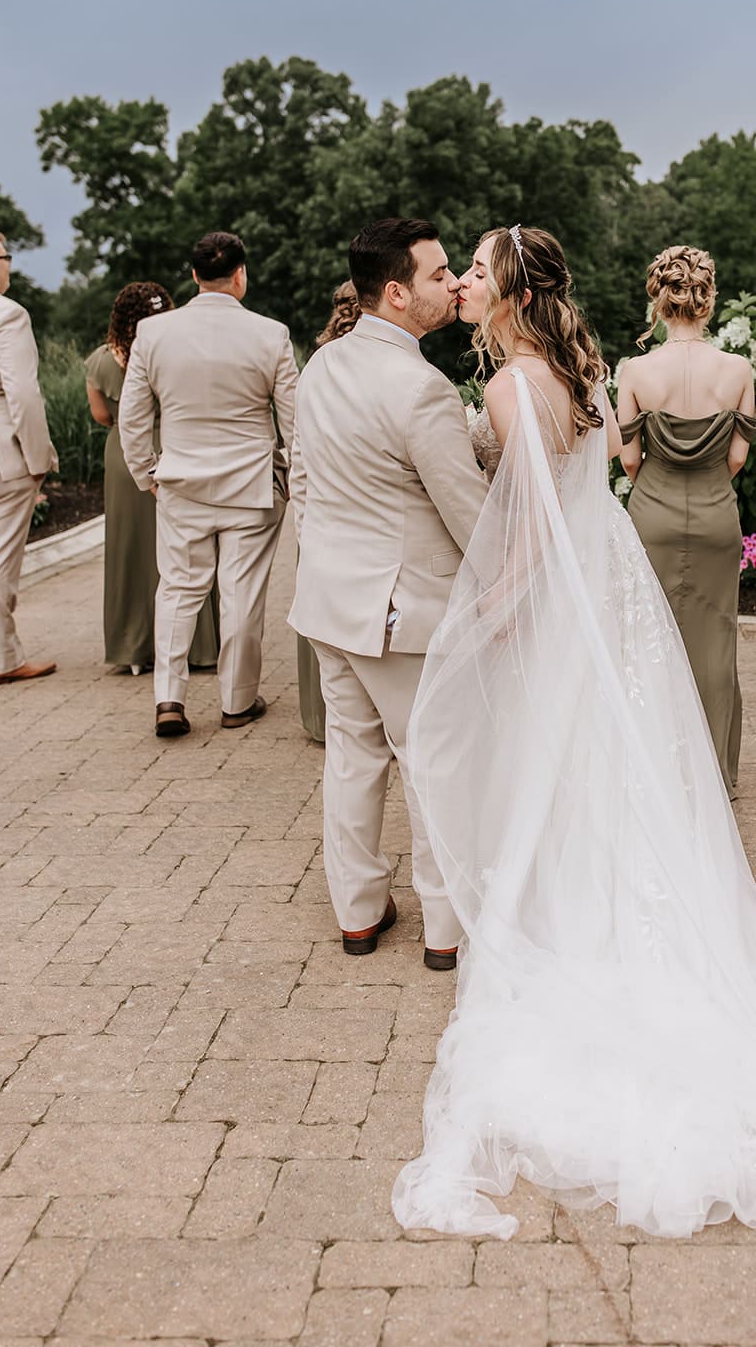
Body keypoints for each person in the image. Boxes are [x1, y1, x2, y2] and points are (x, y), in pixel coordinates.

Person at [391, 224, 756, 1294]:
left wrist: (483, 620)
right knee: (608, 767)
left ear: (506, 288)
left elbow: (523, 540)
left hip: (562, 601)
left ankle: (565, 924)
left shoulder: (514, 387)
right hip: (612, 593)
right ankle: (596, 902)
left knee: (557, 763)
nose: (460, 281)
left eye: (472, 267)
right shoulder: (570, 369)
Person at [288, 219, 487, 965]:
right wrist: (513, 587)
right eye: (439, 276)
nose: (452, 286)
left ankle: (359, 911)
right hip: (401, 613)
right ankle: (444, 928)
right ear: (398, 293)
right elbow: (465, 512)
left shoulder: (323, 366)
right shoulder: (419, 388)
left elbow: (312, 482)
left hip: (329, 602)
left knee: (351, 757)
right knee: (431, 762)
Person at [119, 231, 297, 738]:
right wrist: (294, 477)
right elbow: (295, 417)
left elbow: (133, 417)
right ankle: (237, 702)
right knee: (241, 593)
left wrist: (146, 472)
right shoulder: (270, 334)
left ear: (193, 275)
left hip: (180, 483)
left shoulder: (153, 333)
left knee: (177, 588)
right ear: (241, 274)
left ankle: (169, 698)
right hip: (251, 486)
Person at [616, 246, 755, 787]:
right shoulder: (738, 369)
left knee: (649, 638)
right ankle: (713, 772)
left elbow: (629, 459)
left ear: (658, 299)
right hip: (718, 515)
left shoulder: (636, 370)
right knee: (716, 638)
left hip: (653, 512)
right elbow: (737, 457)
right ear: (709, 298)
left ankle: (654, 772)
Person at [86, 283, 218, 675]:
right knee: (187, 548)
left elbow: (101, 416)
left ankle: (133, 647)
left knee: (130, 549)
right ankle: (197, 647)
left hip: (124, 456)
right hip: (175, 448)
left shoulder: (99, 361)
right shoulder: (177, 353)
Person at [0, 227, 58, 685]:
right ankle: (0, 660)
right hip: (1, 448)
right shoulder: (6, 314)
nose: (9, 264)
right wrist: (39, 458)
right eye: (5, 256)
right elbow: (23, 394)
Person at [296, 281, 362, 743]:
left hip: (320, 521)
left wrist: (304, 529)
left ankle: (322, 722)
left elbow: (300, 461)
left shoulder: (315, 366)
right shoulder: (400, 368)